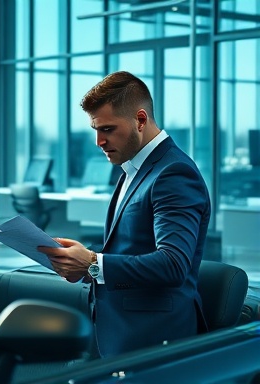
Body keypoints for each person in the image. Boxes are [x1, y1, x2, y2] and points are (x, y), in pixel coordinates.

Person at [38, 71, 211, 358]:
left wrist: (93, 263)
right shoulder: (134, 168)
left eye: (107, 129)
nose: (98, 141)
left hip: (153, 343)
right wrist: (82, 265)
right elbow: (130, 249)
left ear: (140, 120)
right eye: (95, 129)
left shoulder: (173, 173)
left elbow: (173, 263)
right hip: (120, 334)